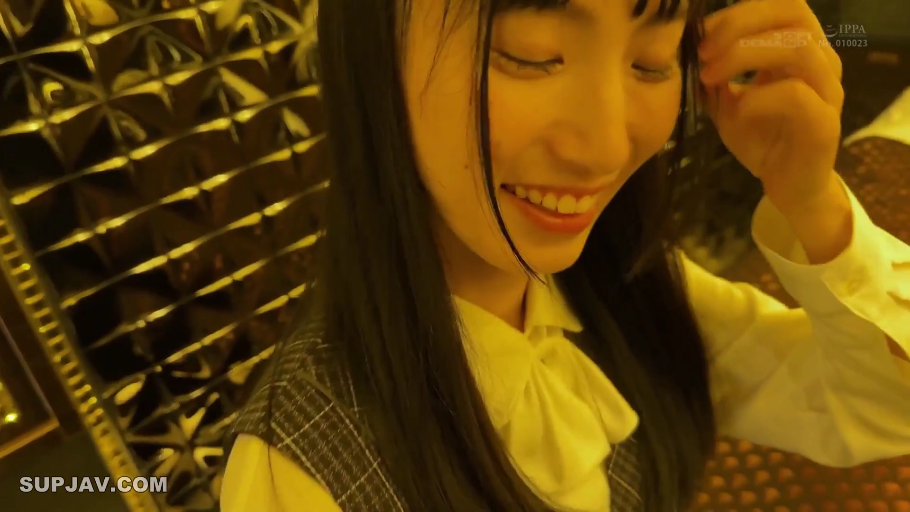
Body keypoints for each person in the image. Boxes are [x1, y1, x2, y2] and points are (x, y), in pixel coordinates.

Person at [219, 0, 910, 510]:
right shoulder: (298, 469)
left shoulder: (622, 291)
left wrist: (809, 196)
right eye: (531, 53)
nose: (605, 148)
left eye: (652, 62)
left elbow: (880, 407)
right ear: (370, 53)